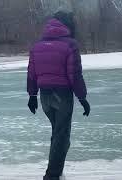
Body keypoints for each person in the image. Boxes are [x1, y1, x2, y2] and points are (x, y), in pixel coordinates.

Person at [27, 11, 91, 180]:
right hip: (62, 95)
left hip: (45, 96)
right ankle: (52, 176)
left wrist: (32, 96)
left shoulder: (37, 46)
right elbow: (75, 74)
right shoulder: (70, 44)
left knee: (58, 134)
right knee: (62, 137)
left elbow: (31, 74)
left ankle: (56, 172)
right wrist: (82, 98)